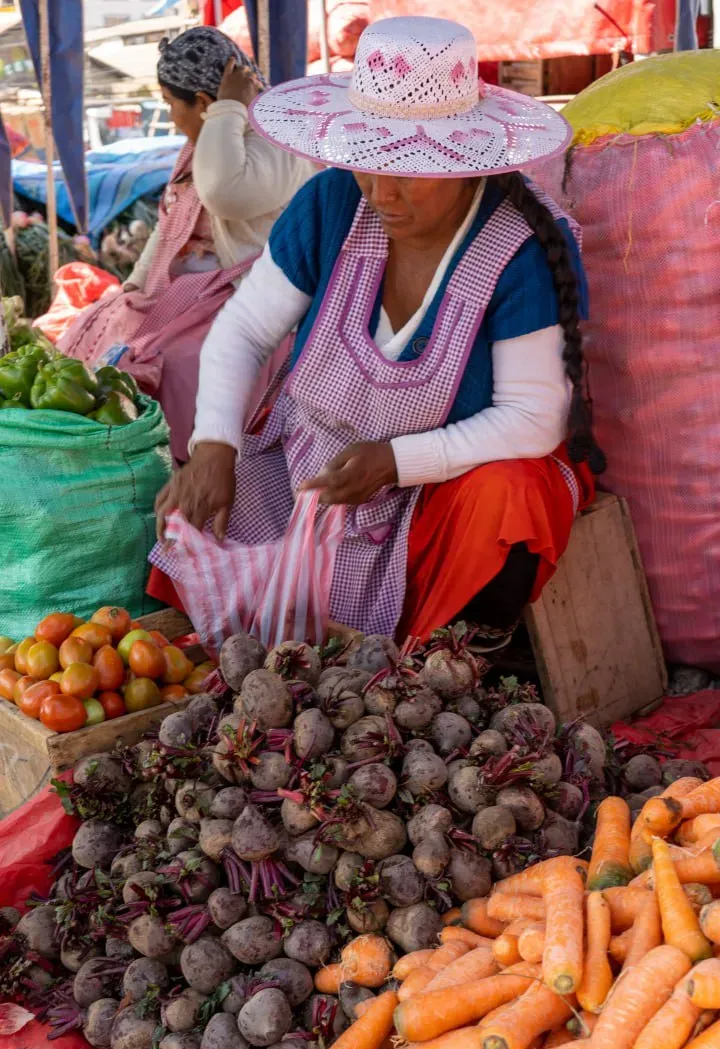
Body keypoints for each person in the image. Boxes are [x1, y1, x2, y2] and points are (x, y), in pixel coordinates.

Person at [150, 16, 605, 648]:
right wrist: (215, 443)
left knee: (512, 497)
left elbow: (532, 416)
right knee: (190, 519)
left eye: (408, 171)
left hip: (436, 492)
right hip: (312, 468)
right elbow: (245, 330)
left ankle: (451, 656)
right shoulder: (334, 201)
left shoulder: (520, 246)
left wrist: (397, 461)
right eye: (369, 164)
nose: (381, 193)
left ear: (464, 159)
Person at [59, 26, 314, 463]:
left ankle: (185, 469)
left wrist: (228, 109)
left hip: (253, 309)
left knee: (173, 366)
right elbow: (169, 220)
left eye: (171, 104)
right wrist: (136, 286)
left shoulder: (277, 142)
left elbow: (222, 192)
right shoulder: (207, 140)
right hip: (191, 298)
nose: (172, 117)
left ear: (202, 102)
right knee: (90, 339)